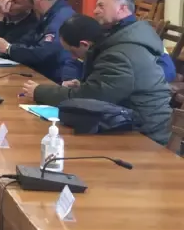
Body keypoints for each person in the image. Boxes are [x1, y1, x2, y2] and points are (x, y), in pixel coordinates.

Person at [21, 14, 171, 145]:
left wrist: (39, 92)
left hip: (145, 133)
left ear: (84, 44)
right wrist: (85, 85)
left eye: (72, 52)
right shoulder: (111, 47)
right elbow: (105, 89)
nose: (73, 57)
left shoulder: (117, 56)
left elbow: (91, 97)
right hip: (127, 120)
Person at [0, 0, 81, 83]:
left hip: (57, 80)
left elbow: (43, 53)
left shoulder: (60, 18)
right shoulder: (52, 14)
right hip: (46, 75)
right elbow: (28, 41)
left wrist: (7, 48)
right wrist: (3, 49)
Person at [93, 0, 176, 83]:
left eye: (101, 6)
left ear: (122, 8)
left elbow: (168, 71)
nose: (95, 11)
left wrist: (131, 82)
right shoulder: (111, 30)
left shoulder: (141, 33)